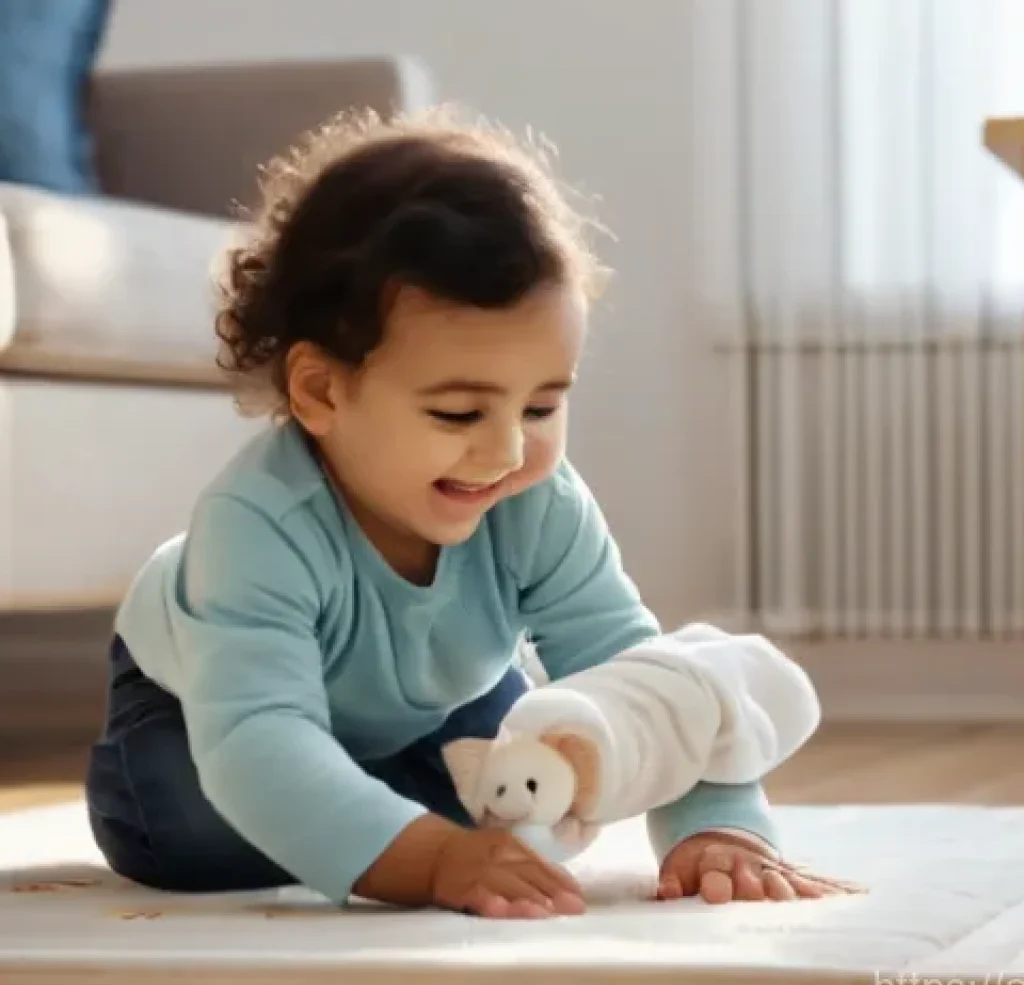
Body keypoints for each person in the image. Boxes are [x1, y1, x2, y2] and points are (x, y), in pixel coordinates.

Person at [84, 106, 859, 919]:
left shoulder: (536, 500)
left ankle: (376, 804)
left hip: (436, 705)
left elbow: (640, 681)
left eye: (541, 408)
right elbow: (256, 742)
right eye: (458, 415)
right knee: (197, 826)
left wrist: (717, 826)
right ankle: (371, 811)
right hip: (197, 708)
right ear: (321, 391)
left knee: (526, 792)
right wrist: (432, 860)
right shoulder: (256, 526)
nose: (505, 453)